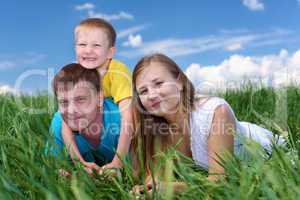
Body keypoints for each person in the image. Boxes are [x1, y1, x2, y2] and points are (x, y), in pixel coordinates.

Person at [130, 53, 285, 194]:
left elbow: (221, 183)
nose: (151, 95)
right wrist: (146, 190)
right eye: (143, 91)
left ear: (179, 82)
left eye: (158, 83)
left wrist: (172, 188)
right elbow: (156, 178)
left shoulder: (216, 112)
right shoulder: (156, 129)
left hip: (270, 152)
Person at [61, 18, 133, 170]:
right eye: (82, 44)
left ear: (110, 52)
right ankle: (79, 164)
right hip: (95, 117)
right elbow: (65, 123)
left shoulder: (117, 72)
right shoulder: (79, 71)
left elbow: (128, 118)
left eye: (96, 45)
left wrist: (118, 162)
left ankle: (128, 163)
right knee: (60, 118)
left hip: (122, 120)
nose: (88, 50)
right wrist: (79, 163)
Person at [48, 63, 121, 175]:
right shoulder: (58, 123)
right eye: (64, 102)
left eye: (80, 100)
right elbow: (50, 165)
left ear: (100, 99)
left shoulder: (119, 120)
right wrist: (63, 174)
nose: (71, 110)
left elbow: (141, 167)